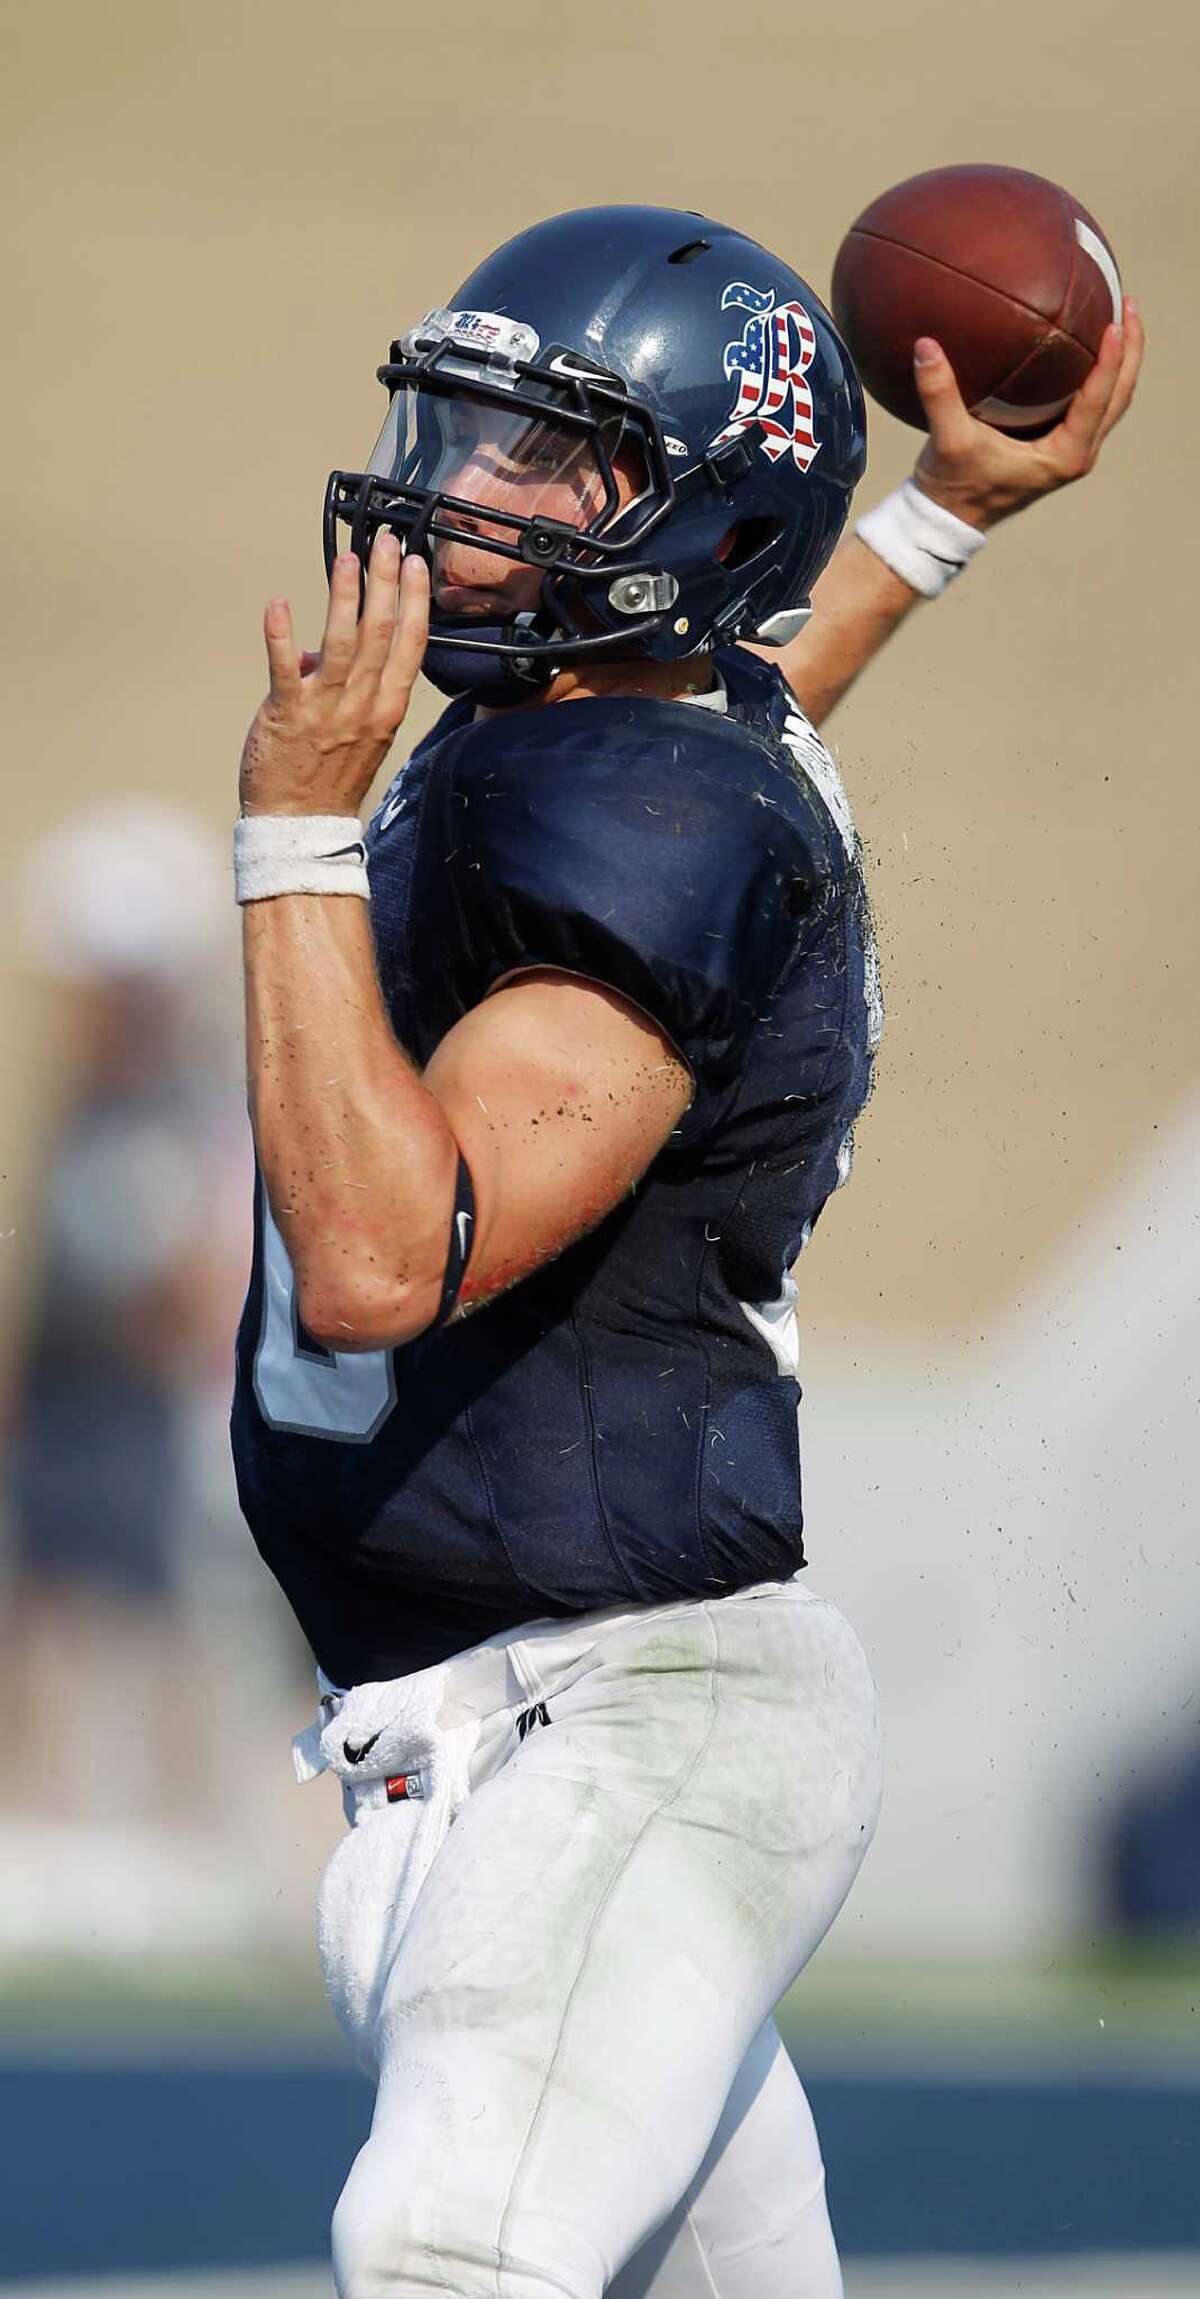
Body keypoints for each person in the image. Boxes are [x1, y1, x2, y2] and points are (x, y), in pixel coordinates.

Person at [230, 207, 1142, 2298]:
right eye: (459, 428)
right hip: (476, 1743)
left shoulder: (648, 821)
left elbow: (384, 1260)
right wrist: (932, 524)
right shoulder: (618, 752)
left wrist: (287, 833)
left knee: (456, 2251)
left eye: (541, 460)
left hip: (626, 1720)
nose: (458, 489)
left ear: (686, 516)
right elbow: (743, 703)